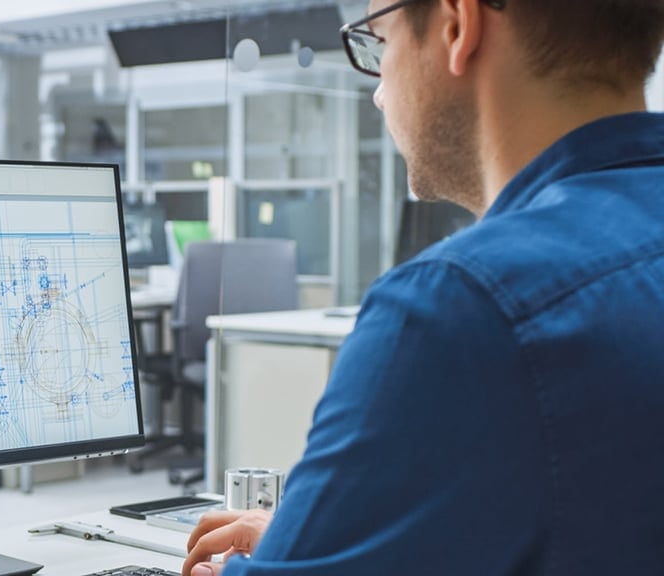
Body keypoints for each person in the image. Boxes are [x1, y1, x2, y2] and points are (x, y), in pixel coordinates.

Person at [184, 1, 664, 574]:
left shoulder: (459, 307)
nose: (378, 91)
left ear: (457, 25)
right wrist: (324, 543)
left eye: (379, 41)